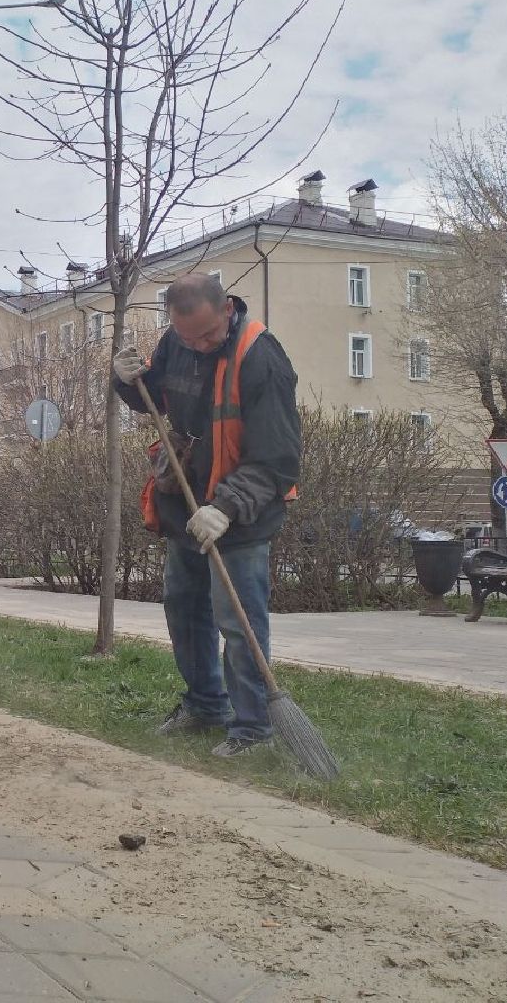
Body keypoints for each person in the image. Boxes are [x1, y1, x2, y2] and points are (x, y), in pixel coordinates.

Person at [113, 271, 301, 758]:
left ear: (226, 310)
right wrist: (127, 378)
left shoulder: (261, 358)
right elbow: (152, 396)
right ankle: (204, 704)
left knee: (237, 622)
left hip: (243, 509)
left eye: (208, 335)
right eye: (187, 337)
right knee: (185, 608)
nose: (198, 346)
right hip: (187, 498)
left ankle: (254, 727)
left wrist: (226, 508)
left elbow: (278, 459)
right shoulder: (178, 343)